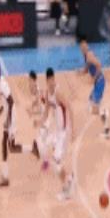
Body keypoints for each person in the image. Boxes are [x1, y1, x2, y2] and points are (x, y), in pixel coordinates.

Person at [0, 62, 39, 188]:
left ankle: (5, 177)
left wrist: (8, 119)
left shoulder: (2, 85)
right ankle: (32, 148)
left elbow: (11, 101)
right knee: (11, 147)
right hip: (8, 116)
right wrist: (1, 109)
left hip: (11, 117)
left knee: (5, 144)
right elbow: (5, 102)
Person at [41, 68, 75, 200]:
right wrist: (40, 122)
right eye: (49, 80)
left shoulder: (58, 93)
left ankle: (67, 189)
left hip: (64, 132)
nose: (52, 82)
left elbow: (70, 108)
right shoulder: (47, 93)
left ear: (54, 79)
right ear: (47, 80)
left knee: (56, 162)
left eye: (53, 79)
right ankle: (69, 179)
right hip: (57, 132)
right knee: (45, 147)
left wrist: (74, 130)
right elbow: (46, 112)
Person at [79, 36, 110, 138]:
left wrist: (94, 78)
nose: (83, 48)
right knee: (90, 104)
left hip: (99, 82)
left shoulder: (89, 55)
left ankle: (105, 115)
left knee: (94, 107)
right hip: (98, 83)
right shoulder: (86, 57)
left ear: (86, 46)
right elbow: (86, 70)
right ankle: (105, 125)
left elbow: (99, 65)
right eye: (82, 47)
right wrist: (79, 73)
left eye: (84, 46)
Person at [28, 70, 52, 171]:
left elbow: (41, 109)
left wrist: (32, 113)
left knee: (41, 142)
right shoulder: (38, 90)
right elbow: (37, 102)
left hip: (46, 120)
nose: (29, 82)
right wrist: (32, 106)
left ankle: (46, 162)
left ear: (34, 80)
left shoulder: (39, 92)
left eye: (30, 80)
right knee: (42, 140)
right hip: (45, 118)